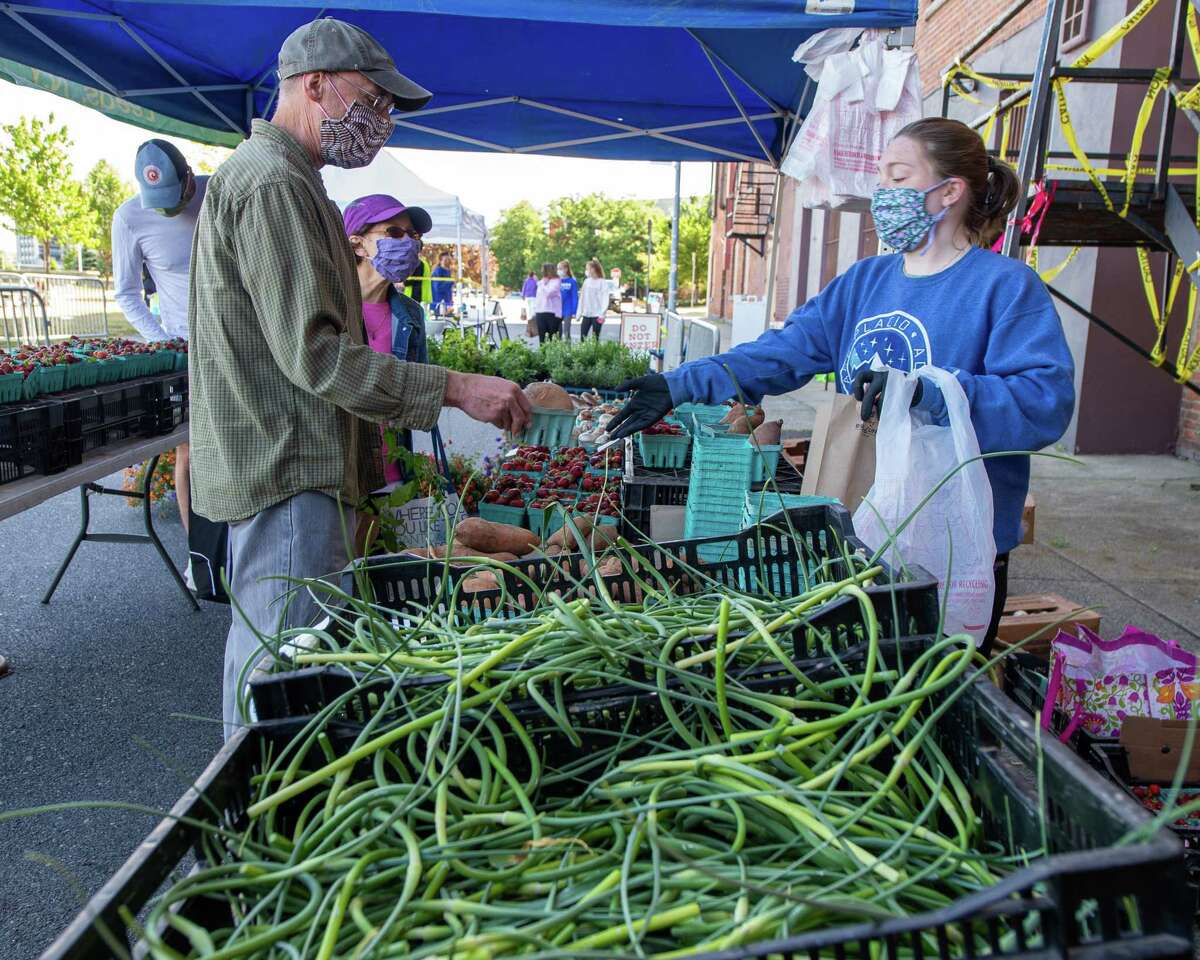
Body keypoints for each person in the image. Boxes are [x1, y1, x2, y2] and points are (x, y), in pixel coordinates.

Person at [608, 117, 1075, 653]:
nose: (883, 195)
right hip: (859, 524)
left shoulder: (1005, 287)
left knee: (931, 692)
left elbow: (1046, 401)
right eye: (881, 180)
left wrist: (929, 391)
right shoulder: (865, 281)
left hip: (952, 540)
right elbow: (782, 351)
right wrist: (680, 383)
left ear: (949, 191)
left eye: (898, 179)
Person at [187, 17, 532, 737]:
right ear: (314, 84)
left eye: (387, 111)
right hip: (288, 466)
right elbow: (316, 356)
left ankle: (268, 821)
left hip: (300, 462)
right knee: (280, 674)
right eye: (373, 101)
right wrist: (456, 387)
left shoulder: (291, 182)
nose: (382, 123)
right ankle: (251, 832)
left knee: (295, 663)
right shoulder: (273, 184)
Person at [112, 138, 208, 538]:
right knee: (188, 449)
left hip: (237, 340)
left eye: (174, 196)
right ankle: (198, 553)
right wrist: (164, 342)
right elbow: (127, 294)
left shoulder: (215, 191)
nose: (168, 208)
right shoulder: (129, 217)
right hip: (183, 346)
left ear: (189, 178)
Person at [578, 258, 609, 340]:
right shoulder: (586, 282)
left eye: (587, 269)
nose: (586, 271)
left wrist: (602, 314)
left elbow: (605, 299)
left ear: (593, 269)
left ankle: (594, 352)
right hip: (586, 314)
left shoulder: (602, 282)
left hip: (598, 315)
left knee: (595, 338)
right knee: (582, 337)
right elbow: (582, 298)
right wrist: (579, 312)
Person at [532, 262, 562, 344]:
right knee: (542, 338)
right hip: (540, 312)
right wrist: (534, 311)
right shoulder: (541, 282)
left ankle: (552, 355)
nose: (542, 272)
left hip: (552, 313)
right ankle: (543, 355)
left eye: (543, 270)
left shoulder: (556, 281)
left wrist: (543, 284)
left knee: (552, 338)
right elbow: (538, 298)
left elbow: (549, 293)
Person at [558, 260, 578, 340]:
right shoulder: (557, 281)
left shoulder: (572, 281)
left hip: (568, 310)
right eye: (558, 269)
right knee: (557, 332)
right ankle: (556, 349)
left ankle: (568, 350)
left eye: (560, 268)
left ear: (566, 269)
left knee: (566, 332)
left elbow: (574, 297)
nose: (558, 271)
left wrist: (574, 311)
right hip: (557, 310)